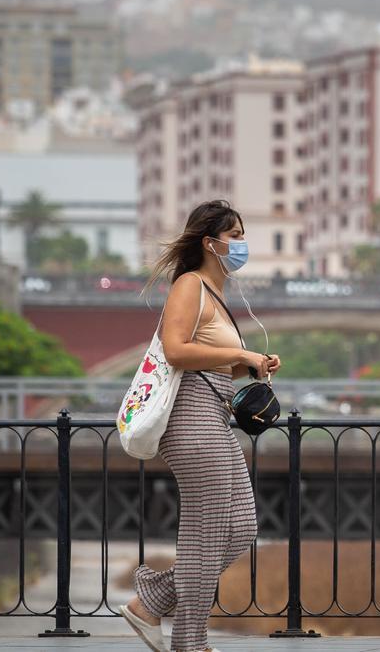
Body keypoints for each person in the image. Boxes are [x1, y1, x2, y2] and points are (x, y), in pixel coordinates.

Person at [120, 200, 281, 652]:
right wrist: (241, 355)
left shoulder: (216, 293)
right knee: (206, 533)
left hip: (214, 415)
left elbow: (206, 364)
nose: (241, 244)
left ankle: (152, 599)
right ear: (210, 242)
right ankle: (190, 643)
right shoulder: (190, 285)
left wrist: (250, 366)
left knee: (242, 527)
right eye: (235, 235)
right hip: (191, 421)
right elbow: (175, 351)